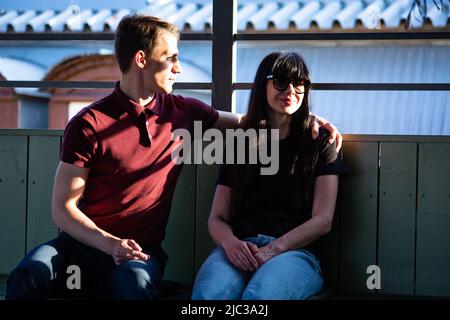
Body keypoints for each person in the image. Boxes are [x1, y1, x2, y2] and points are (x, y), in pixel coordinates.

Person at [6, 15, 341, 300]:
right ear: (141, 59)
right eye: (172, 58)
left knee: (134, 285)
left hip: (140, 251)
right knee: (26, 276)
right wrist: (109, 244)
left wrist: (310, 120)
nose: (179, 68)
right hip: (79, 245)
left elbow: (250, 120)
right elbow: (62, 209)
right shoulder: (88, 123)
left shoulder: (182, 110)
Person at [191, 52, 348, 300]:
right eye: (281, 82)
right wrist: (231, 244)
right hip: (240, 246)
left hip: (295, 254)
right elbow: (217, 218)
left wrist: (273, 249)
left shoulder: (321, 142)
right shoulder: (241, 142)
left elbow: (323, 220)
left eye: (300, 84)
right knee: (208, 296)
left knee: (259, 298)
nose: (291, 90)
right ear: (262, 85)